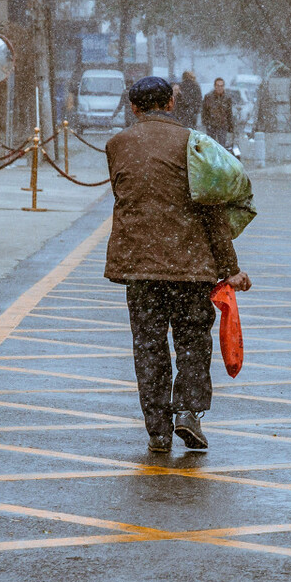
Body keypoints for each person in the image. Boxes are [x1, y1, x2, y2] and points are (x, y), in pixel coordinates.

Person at [104, 76, 251, 453]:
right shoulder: (192, 144)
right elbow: (212, 210)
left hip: (140, 267)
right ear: (171, 103)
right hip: (190, 266)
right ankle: (187, 410)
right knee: (191, 342)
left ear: (133, 107)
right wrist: (229, 267)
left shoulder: (117, 145)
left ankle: (157, 429)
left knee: (148, 346)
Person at [202, 77, 236, 149]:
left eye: (221, 86)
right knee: (211, 146)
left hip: (222, 126)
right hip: (211, 126)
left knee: (221, 147)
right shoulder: (208, 97)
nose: (219, 88)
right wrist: (206, 122)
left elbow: (229, 113)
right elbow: (204, 111)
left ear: (223, 86)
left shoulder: (227, 98)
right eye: (218, 86)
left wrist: (231, 126)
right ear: (215, 86)